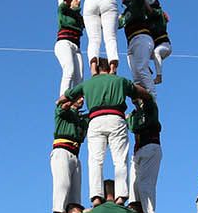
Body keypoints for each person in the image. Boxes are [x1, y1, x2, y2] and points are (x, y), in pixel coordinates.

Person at [59, 55, 151, 204]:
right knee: (119, 159)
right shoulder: (120, 81)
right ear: (110, 68)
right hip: (116, 118)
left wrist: (61, 101)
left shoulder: (88, 83)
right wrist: (148, 95)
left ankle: (96, 196)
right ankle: (121, 195)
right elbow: (139, 91)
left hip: (96, 120)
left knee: (95, 160)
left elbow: (66, 96)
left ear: (97, 68)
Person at [127, 98, 162, 213]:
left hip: (150, 146)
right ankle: (135, 209)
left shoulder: (150, 108)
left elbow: (149, 99)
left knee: (145, 182)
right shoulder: (134, 115)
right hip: (138, 151)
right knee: (134, 184)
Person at [53, 102, 87, 213]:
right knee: (63, 184)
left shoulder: (82, 118)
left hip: (75, 154)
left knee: (75, 192)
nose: (82, 99)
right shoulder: (64, 111)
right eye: (78, 97)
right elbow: (62, 107)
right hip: (62, 150)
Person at [119, 0, 158, 91]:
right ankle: (142, 99)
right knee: (136, 76)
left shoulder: (138, 3)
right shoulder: (125, 13)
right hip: (131, 43)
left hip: (141, 38)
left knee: (142, 69)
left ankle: (152, 95)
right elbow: (118, 24)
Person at [55, 0, 86, 99]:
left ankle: (76, 101)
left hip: (76, 47)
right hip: (64, 43)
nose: (79, 1)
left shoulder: (79, 17)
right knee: (69, 70)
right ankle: (63, 98)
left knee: (79, 77)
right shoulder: (63, 10)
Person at [147, 0, 172, 85]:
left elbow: (152, 11)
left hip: (165, 45)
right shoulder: (150, 19)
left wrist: (141, 0)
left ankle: (159, 77)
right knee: (140, 53)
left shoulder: (158, 12)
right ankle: (146, 69)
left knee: (156, 52)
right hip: (156, 46)